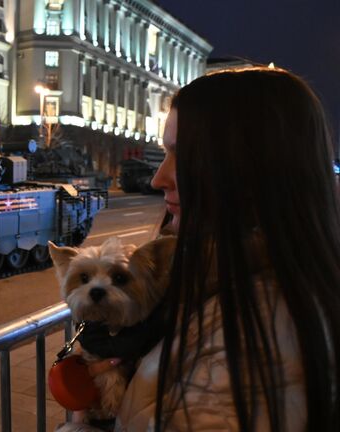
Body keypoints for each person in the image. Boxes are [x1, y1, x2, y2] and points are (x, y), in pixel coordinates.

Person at [75, 67, 340, 431]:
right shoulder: (224, 283)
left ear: (250, 169)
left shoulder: (253, 335)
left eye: (182, 155)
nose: (158, 178)